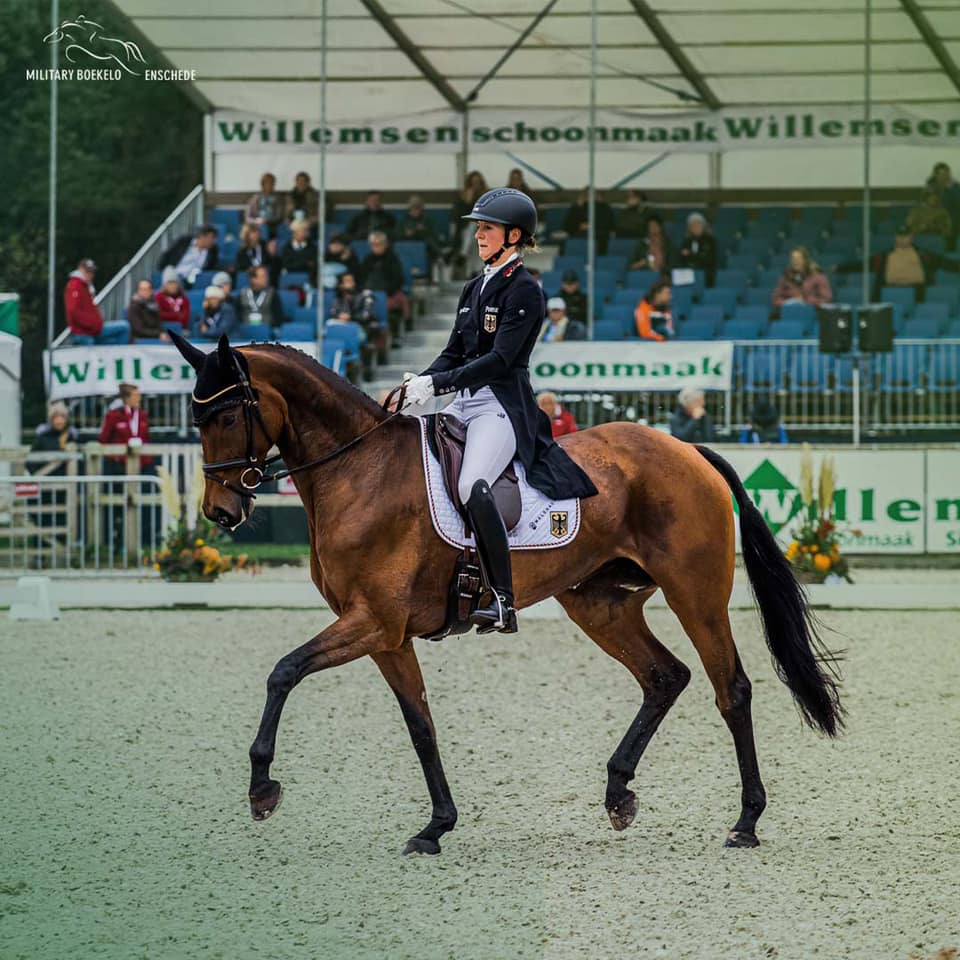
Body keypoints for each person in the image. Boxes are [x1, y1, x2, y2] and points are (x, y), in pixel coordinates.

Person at [401, 188, 598, 634]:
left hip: (501, 407)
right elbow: (454, 351)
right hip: (463, 401)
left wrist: (440, 382)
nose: (478, 236)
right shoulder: (474, 287)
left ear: (513, 235)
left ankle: (503, 600)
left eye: (486, 228)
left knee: (473, 483)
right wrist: (421, 381)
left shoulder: (526, 290)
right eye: (477, 229)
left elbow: (500, 360)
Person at [835, 225, 960, 301]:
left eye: (906, 236)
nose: (902, 239)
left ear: (911, 237)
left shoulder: (923, 255)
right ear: (896, 237)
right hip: (889, 292)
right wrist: (839, 267)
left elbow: (944, 262)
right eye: (900, 236)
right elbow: (862, 265)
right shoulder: (884, 255)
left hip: (916, 293)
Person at [358, 231, 409, 347]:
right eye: (373, 244)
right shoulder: (367, 259)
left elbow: (397, 279)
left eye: (379, 244)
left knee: (389, 306)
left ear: (385, 244)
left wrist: (386, 292)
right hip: (370, 293)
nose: (376, 247)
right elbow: (361, 278)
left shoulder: (393, 259)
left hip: (388, 293)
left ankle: (394, 336)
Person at [64, 258, 129, 344]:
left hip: (93, 330)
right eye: (87, 271)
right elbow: (74, 311)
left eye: (92, 272)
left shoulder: (85, 285)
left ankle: (120, 354)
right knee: (124, 327)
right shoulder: (75, 285)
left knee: (124, 327)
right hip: (84, 333)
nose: (90, 274)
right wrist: (93, 325)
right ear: (81, 270)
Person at [99, 382, 152, 464]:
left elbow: (147, 438)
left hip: (141, 462)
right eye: (136, 396)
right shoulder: (114, 416)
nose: (139, 399)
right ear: (127, 398)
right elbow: (104, 439)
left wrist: (148, 459)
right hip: (119, 463)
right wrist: (115, 458)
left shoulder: (142, 415)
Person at [771, 246, 832, 311]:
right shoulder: (785, 277)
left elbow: (826, 299)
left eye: (798, 258)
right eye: (793, 259)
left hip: (812, 312)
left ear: (806, 260)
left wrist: (805, 301)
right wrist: (788, 302)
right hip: (790, 311)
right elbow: (776, 298)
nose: (795, 261)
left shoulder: (818, 276)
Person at [451, 171, 490, 263]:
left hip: (483, 222)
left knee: (471, 228)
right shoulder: (465, 194)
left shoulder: (486, 194)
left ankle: (463, 254)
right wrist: (468, 199)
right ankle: (459, 253)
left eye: (477, 182)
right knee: (465, 230)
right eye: (473, 183)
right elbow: (462, 211)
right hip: (466, 223)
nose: (475, 185)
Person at [563, 187, 614, 255]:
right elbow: (567, 226)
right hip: (581, 235)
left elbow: (610, 225)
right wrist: (579, 226)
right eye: (586, 194)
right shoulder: (577, 208)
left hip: (598, 236)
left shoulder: (604, 208)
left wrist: (592, 226)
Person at [398, 195, 443, 273]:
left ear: (421, 209)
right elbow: (397, 234)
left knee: (428, 242)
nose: (415, 211)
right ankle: (441, 254)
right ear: (409, 209)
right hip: (408, 245)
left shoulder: (427, 219)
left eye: (417, 209)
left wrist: (422, 230)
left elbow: (434, 234)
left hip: (424, 247)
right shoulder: (403, 220)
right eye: (413, 209)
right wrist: (406, 233)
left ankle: (429, 273)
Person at [675, 212, 718, 287]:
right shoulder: (686, 241)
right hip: (687, 276)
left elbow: (708, 259)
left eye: (698, 224)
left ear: (703, 226)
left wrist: (691, 255)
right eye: (693, 225)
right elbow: (681, 258)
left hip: (706, 276)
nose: (696, 227)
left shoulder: (710, 241)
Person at [237, 265, 284, 331]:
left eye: (266, 276)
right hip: (246, 331)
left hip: (267, 332)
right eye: (262, 277)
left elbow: (278, 317)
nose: (266, 279)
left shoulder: (273, 293)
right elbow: (236, 316)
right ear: (252, 279)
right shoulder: (242, 294)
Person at [926, 162, 960, 250]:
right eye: (941, 174)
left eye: (946, 174)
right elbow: (928, 202)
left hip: (951, 219)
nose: (944, 177)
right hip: (933, 217)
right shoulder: (931, 186)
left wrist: (950, 189)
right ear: (935, 175)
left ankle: (950, 251)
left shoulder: (955, 187)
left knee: (952, 223)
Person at [245, 172, 285, 236]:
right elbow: (247, 218)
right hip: (256, 225)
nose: (268, 185)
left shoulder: (278, 198)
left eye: (271, 183)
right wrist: (255, 221)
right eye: (266, 183)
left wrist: (266, 221)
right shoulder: (255, 198)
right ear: (262, 184)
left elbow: (279, 216)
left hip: (272, 226)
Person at [155, 266, 190, 331]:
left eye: (174, 282)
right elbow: (158, 315)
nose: (173, 286)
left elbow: (185, 318)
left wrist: (167, 316)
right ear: (164, 285)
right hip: (163, 329)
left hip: (181, 330)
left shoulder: (184, 299)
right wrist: (177, 315)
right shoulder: (159, 297)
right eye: (170, 283)